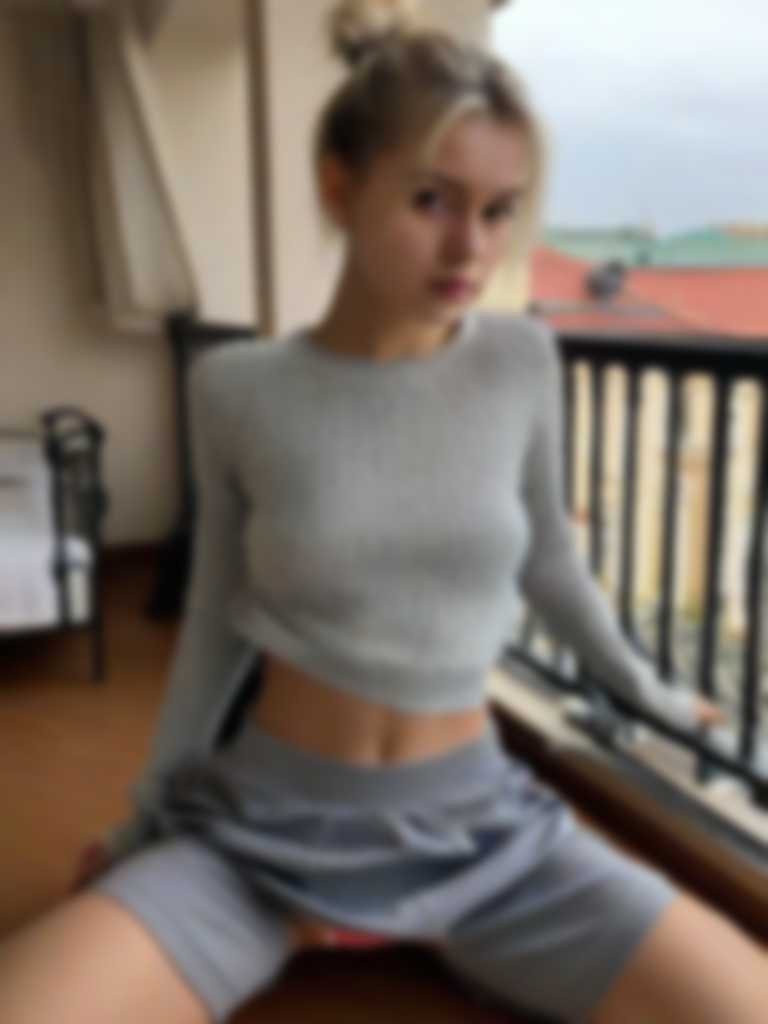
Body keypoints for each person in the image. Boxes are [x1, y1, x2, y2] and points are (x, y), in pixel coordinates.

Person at [1, 3, 764, 1023]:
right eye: (432, 200)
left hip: (488, 836)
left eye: (499, 211)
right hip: (260, 834)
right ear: (339, 186)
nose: (470, 247)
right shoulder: (236, 388)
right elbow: (218, 617)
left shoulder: (521, 362)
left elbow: (550, 567)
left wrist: (654, 696)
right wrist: (144, 822)